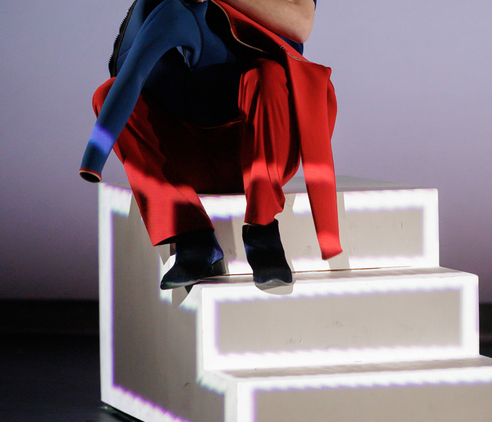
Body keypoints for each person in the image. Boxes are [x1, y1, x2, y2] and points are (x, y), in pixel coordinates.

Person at [79, 0, 341, 293]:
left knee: (266, 74)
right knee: (106, 93)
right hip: (193, 152)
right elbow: (130, 75)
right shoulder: (172, 12)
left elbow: (300, 24)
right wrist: (92, 160)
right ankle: (193, 238)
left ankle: (263, 231)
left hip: (263, 145)